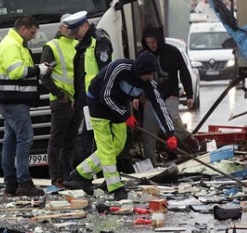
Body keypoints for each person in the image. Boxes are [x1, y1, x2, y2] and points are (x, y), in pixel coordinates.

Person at [64, 52, 178, 201]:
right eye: (149, 74)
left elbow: (159, 105)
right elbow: (105, 95)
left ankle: (81, 174)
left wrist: (170, 133)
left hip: (119, 104)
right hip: (98, 102)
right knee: (106, 148)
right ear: (141, 71)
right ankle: (116, 188)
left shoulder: (148, 82)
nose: (151, 77)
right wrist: (125, 115)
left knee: (118, 144)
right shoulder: (120, 67)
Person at [0, 15, 51, 197]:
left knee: (10, 140)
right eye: (32, 32)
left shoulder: (15, 44)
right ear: (23, 29)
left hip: (11, 100)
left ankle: (11, 182)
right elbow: (17, 72)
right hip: (14, 100)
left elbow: (19, 68)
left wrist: (37, 66)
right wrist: (39, 70)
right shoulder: (12, 45)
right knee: (25, 138)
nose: (33, 36)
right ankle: (24, 182)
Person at [137, 25, 200, 163]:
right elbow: (136, 76)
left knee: (171, 118)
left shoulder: (172, 52)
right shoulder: (142, 56)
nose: (151, 45)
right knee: (148, 132)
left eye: (153, 42)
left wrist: (189, 94)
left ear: (158, 40)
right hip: (151, 98)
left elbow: (184, 71)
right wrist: (136, 97)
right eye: (148, 43)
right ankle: (150, 164)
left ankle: (188, 140)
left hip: (170, 94)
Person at [62, 11, 113, 164]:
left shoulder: (99, 41)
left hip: (97, 99)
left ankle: (92, 173)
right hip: (87, 101)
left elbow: (105, 72)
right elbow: (80, 76)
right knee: (90, 137)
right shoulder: (84, 44)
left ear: (85, 25)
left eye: (76, 31)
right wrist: (77, 99)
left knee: (91, 138)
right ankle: (96, 172)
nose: (75, 35)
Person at [40, 13, 78, 188]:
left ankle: (68, 177)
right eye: (68, 27)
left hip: (75, 100)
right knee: (56, 141)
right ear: (60, 27)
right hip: (61, 101)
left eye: (73, 27)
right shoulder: (52, 46)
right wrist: (60, 95)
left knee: (69, 143)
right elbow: (45, 76)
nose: (71, 30)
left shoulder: (77, 44)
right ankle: (56, 178)